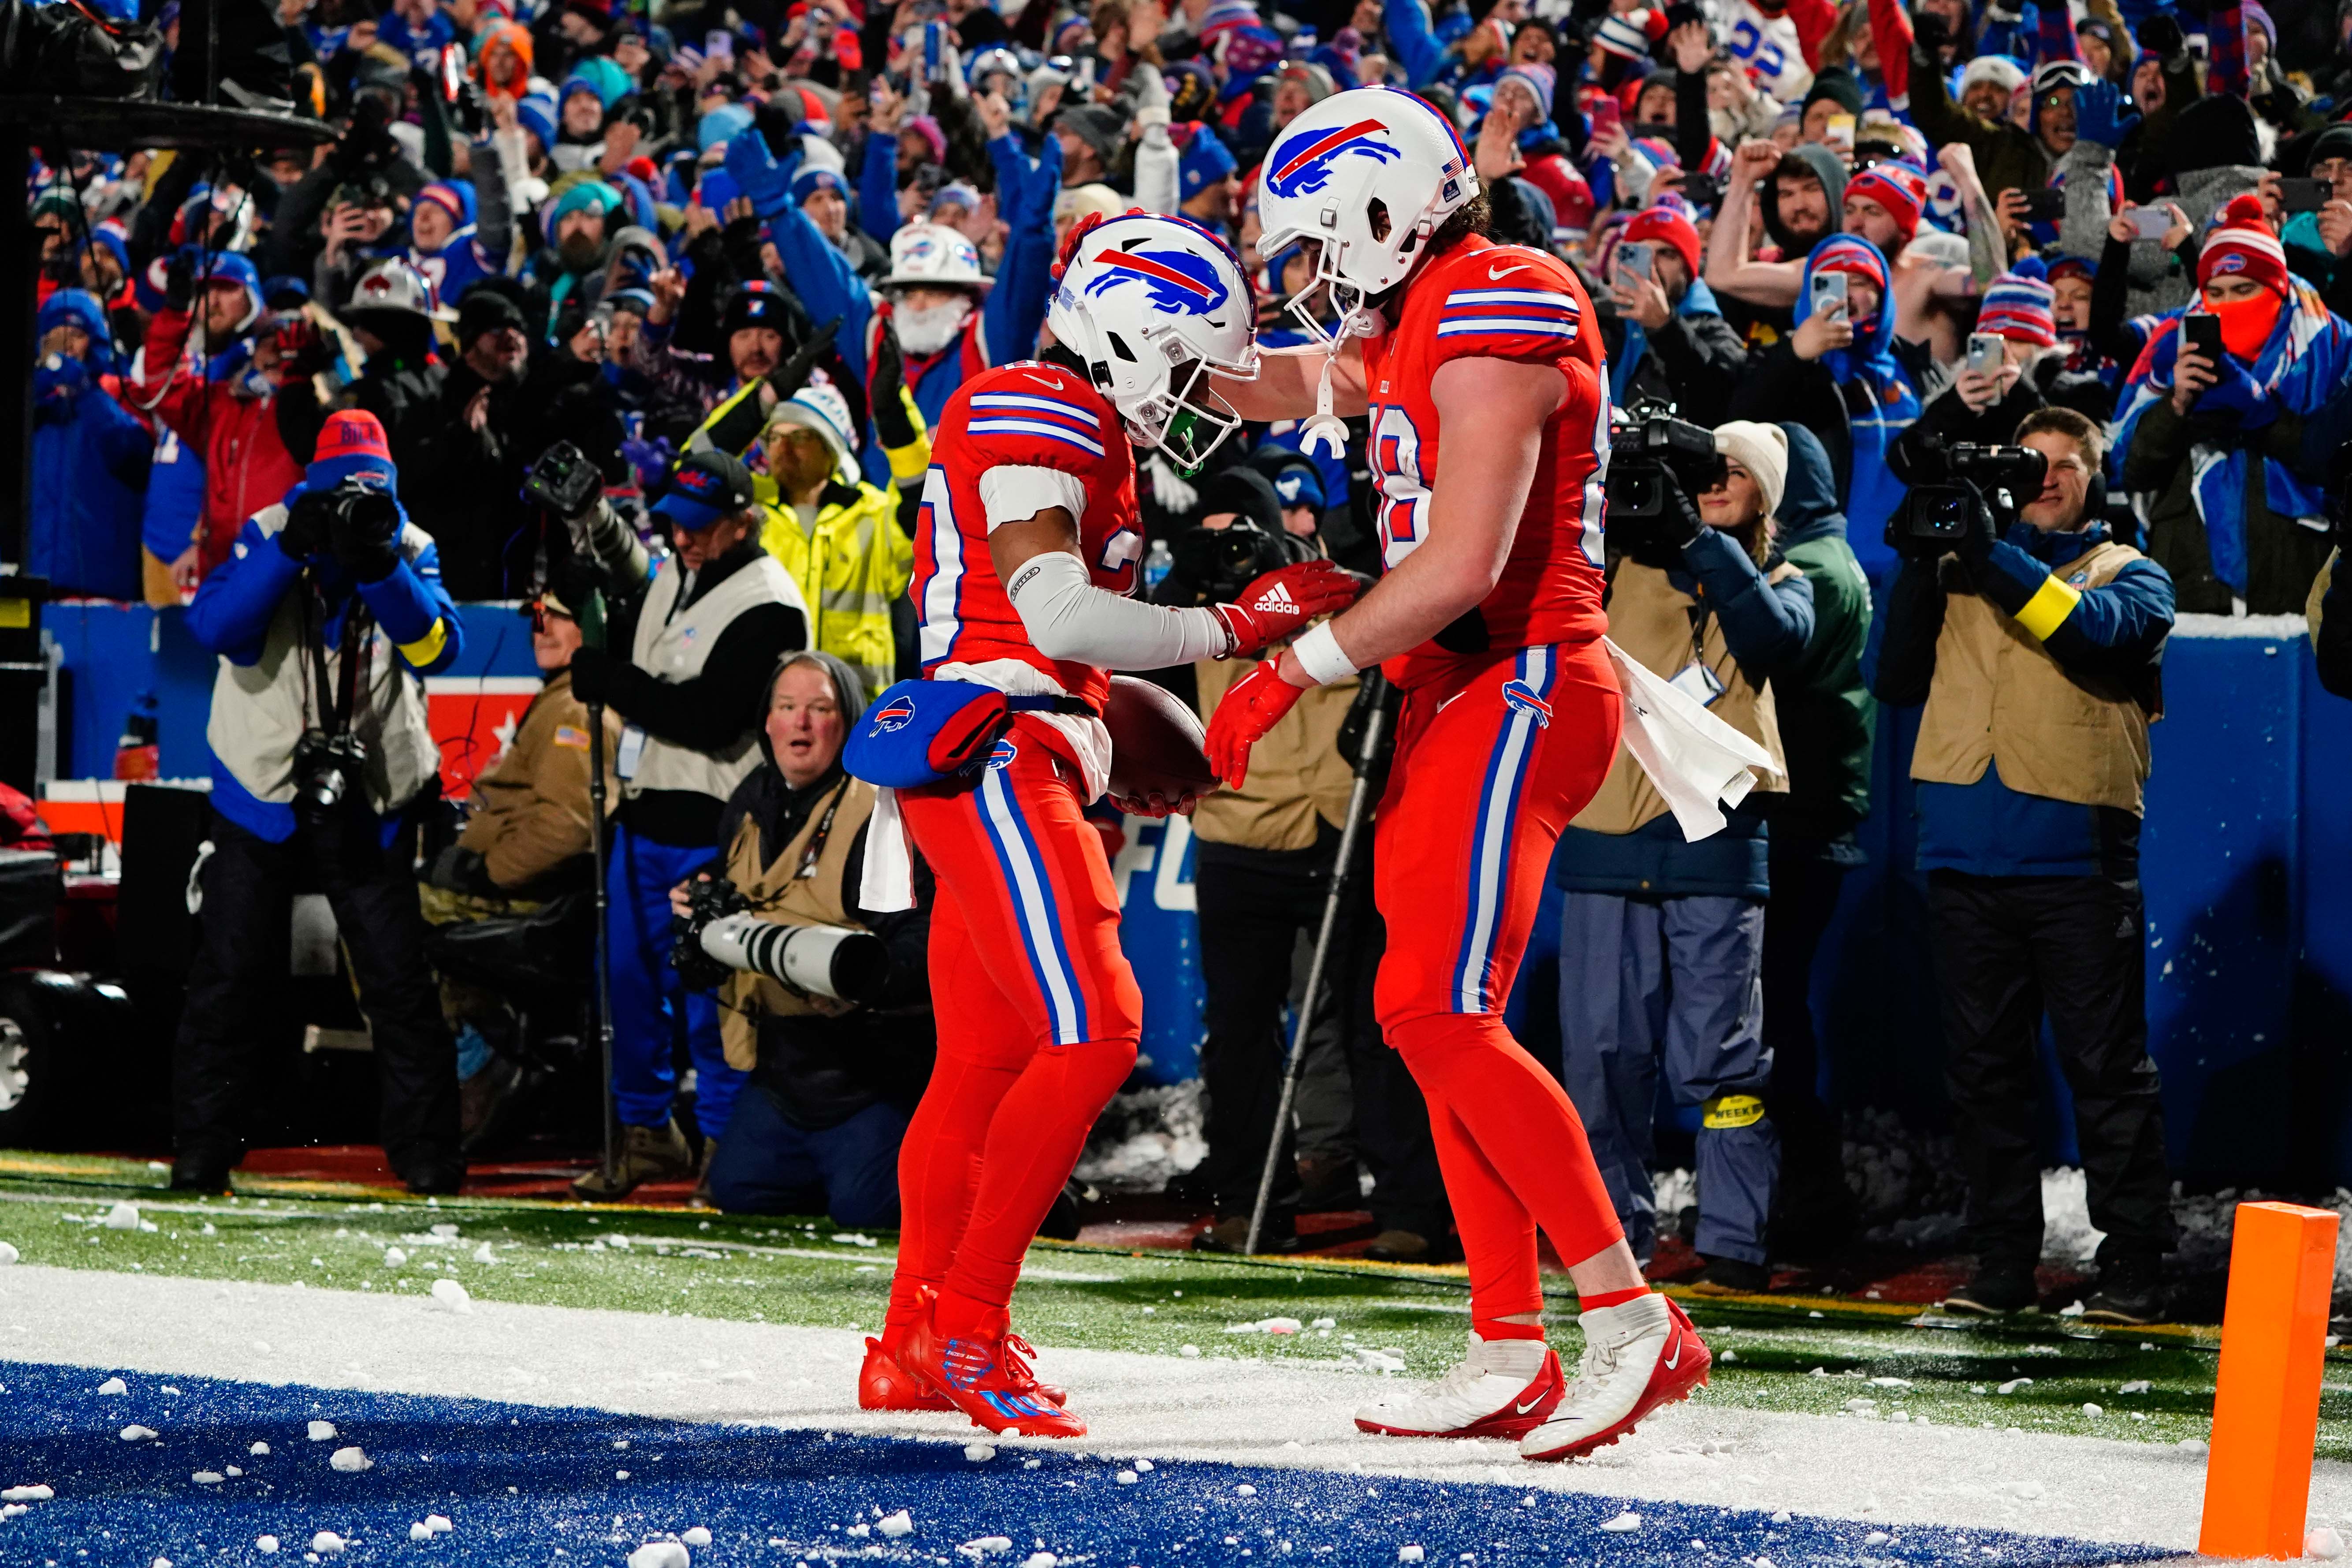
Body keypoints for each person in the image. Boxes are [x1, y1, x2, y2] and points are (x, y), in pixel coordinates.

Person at [1206, 87, 1710, 1464]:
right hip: (1460, 690)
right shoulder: (1415, 313)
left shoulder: (1502, 297)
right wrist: (1125, 334)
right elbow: (1270, 378)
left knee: (1436, 1008)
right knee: (1421, 1012)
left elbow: (1459, 564)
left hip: (1522, 674)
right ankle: (1505, 1340)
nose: (1304, 279)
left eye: (1313, 244)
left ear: (1382, 212)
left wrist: (1290, 665)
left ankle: (1624, 1318)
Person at [862, 211, 1358, 1440]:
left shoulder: (1068, 419)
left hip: (1000, 750)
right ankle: (970, 1323)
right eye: (1186, 361)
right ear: (1131, 335)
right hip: (997, 753)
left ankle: (914, 1336)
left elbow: (1057, 632)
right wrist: (1236, 627)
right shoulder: (1037, 401)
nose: (1196, 393)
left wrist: (1121, 727)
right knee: (1099, 1028)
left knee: (981, 1063)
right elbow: (1062, 614)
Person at [1866, 406, 2176, 1324]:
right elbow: (1891, 678)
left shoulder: (2135, 572)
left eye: (2063, 465)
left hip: (2075, 859)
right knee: (1982, 1074)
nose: (2043, 476)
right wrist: (1931, 553)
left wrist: (1985, 547)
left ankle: (2134, 1267)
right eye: (2027, 462)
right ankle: (2002, 1265)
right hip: (1962, 855)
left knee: (2106, 1071)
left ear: (2094, 478)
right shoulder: (1956, 564)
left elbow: (2084, 631)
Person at [173, 410, 467, 1195]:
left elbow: (439, 646)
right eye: (341, 494)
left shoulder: (408, 545)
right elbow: (217, 629)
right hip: (259, 784)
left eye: (372, 494)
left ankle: (431, 1159)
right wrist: (289, 550)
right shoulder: (271, 530)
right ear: (310, 489)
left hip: (371, 793)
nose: (354, 508)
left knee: (399, 982)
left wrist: (379, 564)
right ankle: (202, 1151)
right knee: (232, 972)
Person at [1552, 422, 1812, 1294]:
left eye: (1732, 473)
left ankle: (1734, 1238)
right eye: (1700, 472)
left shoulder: (1782, 575)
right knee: (1601, 1054)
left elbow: (1776, 642)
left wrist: (1697, 542)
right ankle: (1610, 1244)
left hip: (1716, 845)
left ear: (1764, 498)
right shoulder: (1610, 571)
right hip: (1603, 833)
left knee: (1720, 1057)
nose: (1711, 482)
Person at [564, 451, 812, 1200]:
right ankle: (645, 1133)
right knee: (631, 985)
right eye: (676, 522)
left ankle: (723, 1143)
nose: (685, 538)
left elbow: (711, 718)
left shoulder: (771, 601)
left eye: (703, 527)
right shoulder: (674, 567)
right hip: (644, 810)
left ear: (746, 522)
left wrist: (614, 680)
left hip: (717, 822)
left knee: (717, 996)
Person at [1161, 467, 1362, 1255]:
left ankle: (1412, 1201)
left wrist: (1289, 572)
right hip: (1237, 837)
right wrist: (1188, 576)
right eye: (1208, 539)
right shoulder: (1192, 602)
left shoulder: (1327, 581)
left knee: (1376, 1026)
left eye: (1239, 535)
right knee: (1240, 1035)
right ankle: (1251, 1198)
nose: (1226, 553)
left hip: (1343, 824)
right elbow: (1138, 669)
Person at [677, 652, 934, 1226]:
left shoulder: (881, 809)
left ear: (849, 721)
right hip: (784, 1074)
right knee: (740, 1189)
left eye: (820, 708)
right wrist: (700, 926)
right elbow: (707, 964)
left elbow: (925, 940)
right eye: (787, 707)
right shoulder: (748, 804)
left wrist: (864, 986)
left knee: (869, 1210)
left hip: (871, 1076)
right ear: (766, 722)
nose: (801, 723)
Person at [421, 584, 621, 1146]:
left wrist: (486, 872)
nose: (540, 629)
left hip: (531, 898)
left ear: (596, 629)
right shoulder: (561, 695)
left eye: (556, 618)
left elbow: (568, 827)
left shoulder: (578, 708)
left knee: (383, 926)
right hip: (513, 886)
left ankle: (476, 1060)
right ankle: (471, 1054)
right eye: (536, 618)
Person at [2114, 195, 2352, 616]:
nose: (2229, 304)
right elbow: (2129, 469)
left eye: (2245, 289)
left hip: (2298, 572)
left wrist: (2260, 411)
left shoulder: (2335, 347)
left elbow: (2333, 462)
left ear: (2278, 289)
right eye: (2216, 292)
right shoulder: (2170, 348)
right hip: (2189, 578)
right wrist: (2177, 405)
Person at [1756, 422, 1873, 1252]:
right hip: (1810, 818)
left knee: (1770, 1017)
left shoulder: (1817, 570)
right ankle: (1795, 1196)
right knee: (1773, 1012)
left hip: (1798, 821)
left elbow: (1758, 664)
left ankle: (1804, 1199)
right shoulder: (1828, 558)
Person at [753, 361, 927, 700]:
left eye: (801, 436)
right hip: (768, 705)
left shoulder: (873, 513)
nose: (784, 448)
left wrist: (896, 420)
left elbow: (924, 512)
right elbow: (694, 467)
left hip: (856, 706)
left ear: (831, 448)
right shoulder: (748, 512)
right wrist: (762, 398)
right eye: (775, 437)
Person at [30, 287, 149, 601]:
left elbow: (134, 456)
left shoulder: (120, 392)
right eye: (54, 336)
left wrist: (85, 390)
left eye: (76, 335)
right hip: (30, 579)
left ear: (95, 341)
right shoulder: (31, 409)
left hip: (101, 585)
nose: (64, 346)